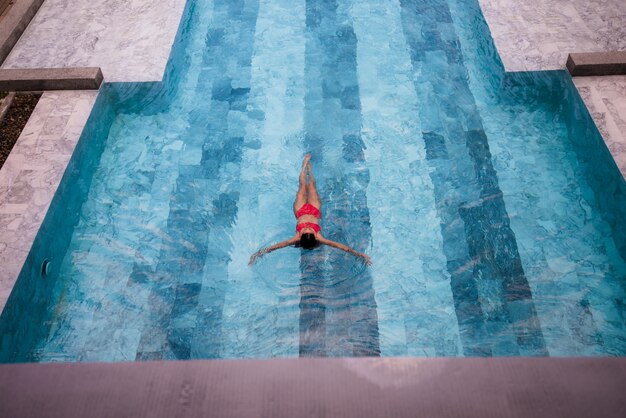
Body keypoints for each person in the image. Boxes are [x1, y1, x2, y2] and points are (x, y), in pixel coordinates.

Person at [249, 154, 372, 266]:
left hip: (300, 210)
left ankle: (304, 166)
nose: (307, 229)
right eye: (309, 231)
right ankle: (310, 170)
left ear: (300, 236)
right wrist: (359, 255)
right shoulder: (319, 237)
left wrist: (258, 254)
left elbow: (276, 246)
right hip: (314, 210)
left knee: (302, 186)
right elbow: (340, 246)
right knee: (312, 186)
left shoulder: (296, 238)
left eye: (305, 231)